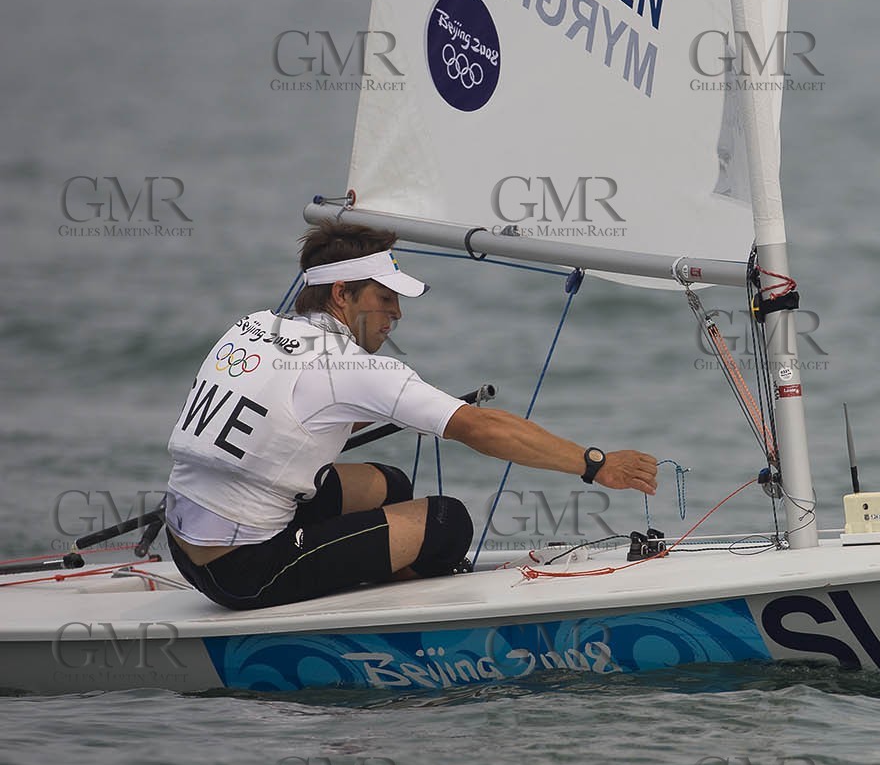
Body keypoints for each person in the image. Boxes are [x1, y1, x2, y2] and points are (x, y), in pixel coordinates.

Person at [164, 220, 657, 610]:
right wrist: (594, 463)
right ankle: (379, 610)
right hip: (242, 572)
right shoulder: (351, 368)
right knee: (446, 523)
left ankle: (362, 565)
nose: (397, 313)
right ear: (342, 294)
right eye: (385, 297)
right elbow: (482, 428)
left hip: (182, 543)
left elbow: (289, 414)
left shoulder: (253, 327)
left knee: (390, 485)